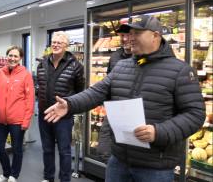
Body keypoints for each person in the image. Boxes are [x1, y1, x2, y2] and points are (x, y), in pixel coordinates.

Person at [44, 15, 206, 182]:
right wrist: (70, 104)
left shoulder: (180, 71)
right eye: (130, 33)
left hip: (155, 165)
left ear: (155, 35)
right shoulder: (122, 66)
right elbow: (96, 93)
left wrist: (159, 132)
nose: (130, 38)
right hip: (120, 160)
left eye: (137, 33)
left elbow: (195, 114)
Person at [36, 31, 85, 182]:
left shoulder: (76, 66)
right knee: (47, 149)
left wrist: (69, 108)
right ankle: (48, 177)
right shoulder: (42, 63)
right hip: (44, 113)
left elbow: (80, 92)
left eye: (59, 43)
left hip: (63, 117)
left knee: (64, 151)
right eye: (53, 42)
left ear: (66, 46)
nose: (55, 45)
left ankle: (65, 179)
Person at [0, 45, 35, 182]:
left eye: (16, 56)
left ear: (20, 58)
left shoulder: (25, 74)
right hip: (0, 120)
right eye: (10, 55)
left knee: (17, 149)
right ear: (7, 56)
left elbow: (30, 99)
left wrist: (26, 120)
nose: (12, 58)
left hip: (17, 120)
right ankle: (6, 173)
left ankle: (14, 175)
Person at [97, 27, 132, 164]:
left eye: (128, 35)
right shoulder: (115, 56)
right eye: (122, 35)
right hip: (115, 108)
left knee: (130, 150)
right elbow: (107, 83)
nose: (124, 39)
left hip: (133, 111)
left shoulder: (141, 57)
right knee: (104, 149)